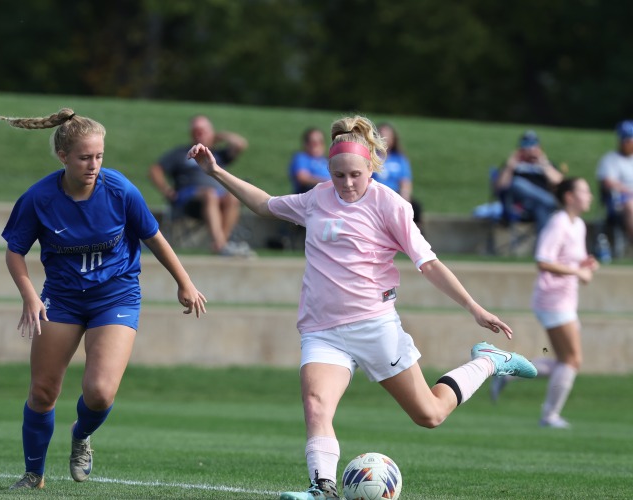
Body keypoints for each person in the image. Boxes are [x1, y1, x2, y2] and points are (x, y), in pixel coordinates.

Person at [189, 114, 537, 500]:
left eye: (355, 174)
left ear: (371, 166)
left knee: (429, 415)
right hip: (322, 330)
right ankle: (323, 488)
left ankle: (488, 360)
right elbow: (265, 205)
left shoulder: (391, 205)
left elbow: (430, 264)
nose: (347, 183)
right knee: (315, 402)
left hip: (375, 326)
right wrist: (216, 171)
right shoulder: (316, 197)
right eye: (339, 175)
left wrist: (474, 307)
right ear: (329, 171)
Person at [0, 108, 207, 490]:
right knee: (43, 392)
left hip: (116, 294)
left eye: (99, 156)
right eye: (84, 157)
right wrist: (30, 297)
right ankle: (33, 474)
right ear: (63, 157)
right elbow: (15, 251)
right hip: (62, 297)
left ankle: (81, 435)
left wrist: (184, 282)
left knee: (99, 392)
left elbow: (154, 238)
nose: (93, 165)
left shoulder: (120, 190)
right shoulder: (39, 197)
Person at [491, 177, 599, 429]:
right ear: (570, 196)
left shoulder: (578, 225)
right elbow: (543, 260)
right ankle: (549, 416)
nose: (590, 195)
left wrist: (585, 267)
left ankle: (509, 372)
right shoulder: (558, 223)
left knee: (565, 361)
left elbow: (574, 263)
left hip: (566, 300)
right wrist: (577, 272)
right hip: (552, 301)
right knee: (572, 361)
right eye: (585, 190)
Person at [149, 115, 253, 256]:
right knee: (209, 194)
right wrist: (166, 190)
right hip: (189, 200)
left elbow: (240, 144)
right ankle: (222, 246)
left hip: (219, 199)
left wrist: (219, 136)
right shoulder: (181, 153)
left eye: (203, 130)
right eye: (196, 130)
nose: (200, 134)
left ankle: (221, 244)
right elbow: (155, 170)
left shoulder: (217, 154)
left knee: (233, 197)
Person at [494, 130, 564, 233]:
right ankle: (551, 202)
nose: (530, 149)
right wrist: (510, 166)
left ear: (539, 147)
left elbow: (561, 184)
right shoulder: (513, 165)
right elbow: (499, 187)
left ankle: (541, 247)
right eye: (526, 144)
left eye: (533, 144)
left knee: (540, 208)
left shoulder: (546, 164)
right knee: (517, 183)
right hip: (520, 206)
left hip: (538, 206)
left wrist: (543, 164)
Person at [373, 122, 423, 227]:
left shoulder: (399, 158)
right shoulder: (370, 157)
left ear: (393, 139)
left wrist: (405, 198)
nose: (384, 139)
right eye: (381, 135)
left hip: (395, 194)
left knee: (416, 207)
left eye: (387, 136)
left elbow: (405, 181)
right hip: (375, 195)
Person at [595, 119, 633, 242]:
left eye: (630, 139)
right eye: (625, 139)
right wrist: (627, 191)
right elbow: (607, 182)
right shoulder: (610, 159)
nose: (628, 142)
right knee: (630, 205)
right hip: (618, 203)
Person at [289, 127, 331, 194]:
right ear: (306, 144)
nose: (318, 145)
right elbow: (302, 178)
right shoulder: (302, 158)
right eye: (314, 143)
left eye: (320, 142)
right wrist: (328, 182)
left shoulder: (327, 161)